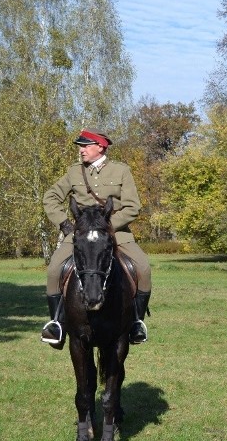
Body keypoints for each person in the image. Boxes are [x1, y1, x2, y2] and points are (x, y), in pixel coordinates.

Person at [40, 128, 151, 348]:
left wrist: (107, 226)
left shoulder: (121, 171)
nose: (81, 150)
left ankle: (136, 322)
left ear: (100, 146)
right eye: (80, 147)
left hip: (115, 234)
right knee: (54, 269)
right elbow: (50, 197)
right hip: (80, 235)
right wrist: (64, 223)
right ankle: (56, 324)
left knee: (144, 268)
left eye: (85, 146)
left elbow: (132, 207)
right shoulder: (74, 172)